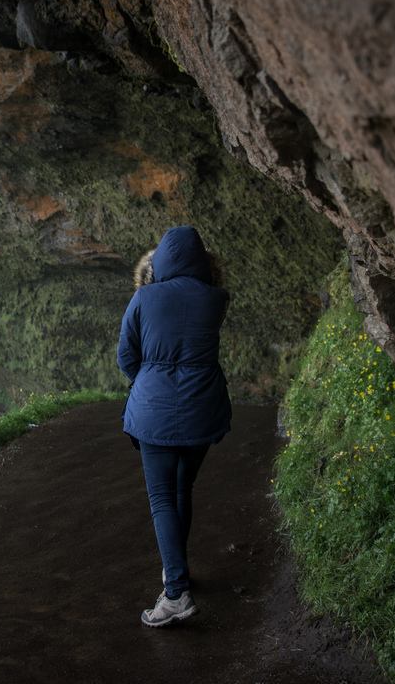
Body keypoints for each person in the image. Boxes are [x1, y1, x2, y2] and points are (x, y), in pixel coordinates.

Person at [117, 225, 231, 628]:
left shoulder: (144, 297)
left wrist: (146, 382)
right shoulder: (216, 300)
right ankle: (176, 569)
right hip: (203, 408)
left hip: (153, 412)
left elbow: (125, 354)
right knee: (183, 489)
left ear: (160, 259)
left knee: (162, 497)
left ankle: (176, 592)